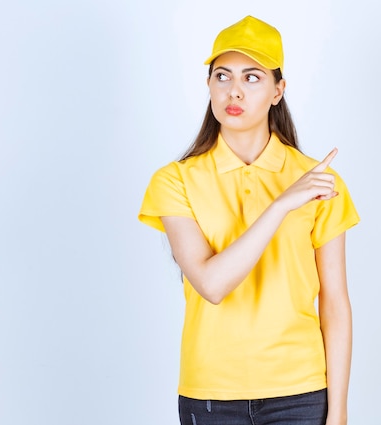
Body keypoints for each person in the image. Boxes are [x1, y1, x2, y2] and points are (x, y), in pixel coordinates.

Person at [138, 15, 359, 425]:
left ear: (278, 91)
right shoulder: (175, 180)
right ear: (208, 86)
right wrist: (280, 205)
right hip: (209, 394)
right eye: (222, 76)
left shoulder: (320, 182)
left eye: (252, 77)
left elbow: (335, 304)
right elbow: (212, 284)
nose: (234, 90)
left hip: (301, 393)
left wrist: (340, 411)